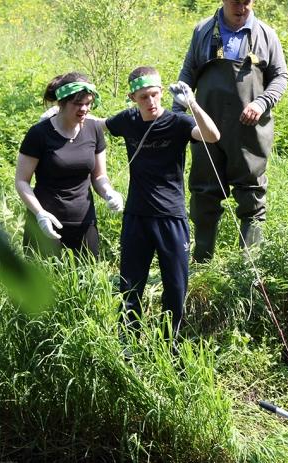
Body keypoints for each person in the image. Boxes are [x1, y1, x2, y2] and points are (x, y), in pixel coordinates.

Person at [101, 67, 220, 338]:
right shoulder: (128, 120)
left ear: (162, 93)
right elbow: (99, 125)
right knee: (130, 287)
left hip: (171, 217)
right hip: (136, 217)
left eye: (154, 95)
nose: (150, 102)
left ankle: (171, 347)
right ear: (133, 97)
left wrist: (192, 103)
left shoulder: (178, 122)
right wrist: (60, 118)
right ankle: (128, 345)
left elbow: (213, 135)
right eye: (143, 97)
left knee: (176, 288)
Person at [174, 0, 288, 260]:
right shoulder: (203, 30)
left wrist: (261, 103)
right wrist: (177, 113)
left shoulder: (266, 34)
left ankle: (247, 269)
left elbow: (281, 77)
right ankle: (202, 262)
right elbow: (188, 72)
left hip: (248, 129)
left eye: (247, 1)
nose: (242, 7)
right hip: (205, 126)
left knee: (251, 197)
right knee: (204, 193)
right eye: (236, 1)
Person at [15, 73, 123, 257]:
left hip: (83, 222)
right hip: (46, 222)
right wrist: (40, 214)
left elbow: (98, 176)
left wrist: (108, 192)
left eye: (88, 103)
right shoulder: (39, 133)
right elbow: (21, 181)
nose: (84, 109)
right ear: (61, 103)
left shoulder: (94, 129)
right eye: (78, 104)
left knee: (86, 282)